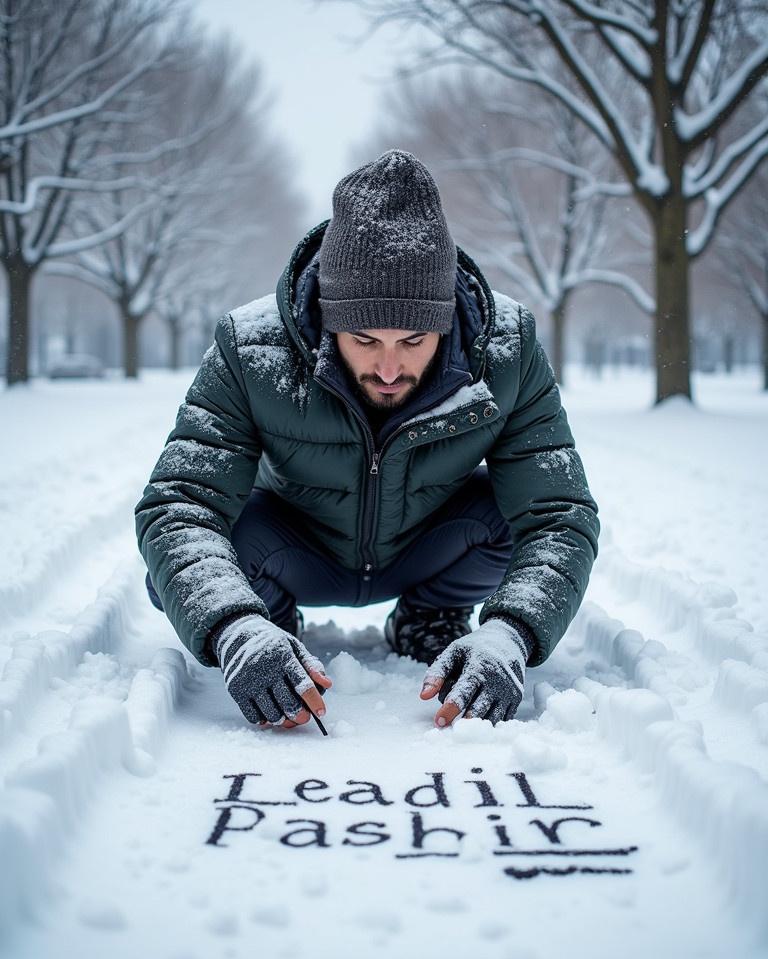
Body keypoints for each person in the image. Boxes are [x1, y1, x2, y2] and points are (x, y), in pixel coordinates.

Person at [135, 149, 599, 733]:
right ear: (329, 320)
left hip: (426, 546)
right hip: (293, 549)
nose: (386, 367)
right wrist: (236, 629)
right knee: (189, 562)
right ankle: (273, 628)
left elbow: (560, 514)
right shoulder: (250, 348)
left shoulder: (506, 350)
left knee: (509, 517)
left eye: (412, 340)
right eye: (362, 338)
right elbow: (178, 506)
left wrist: (512, 633)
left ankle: (428, 615)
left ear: (447, 322)